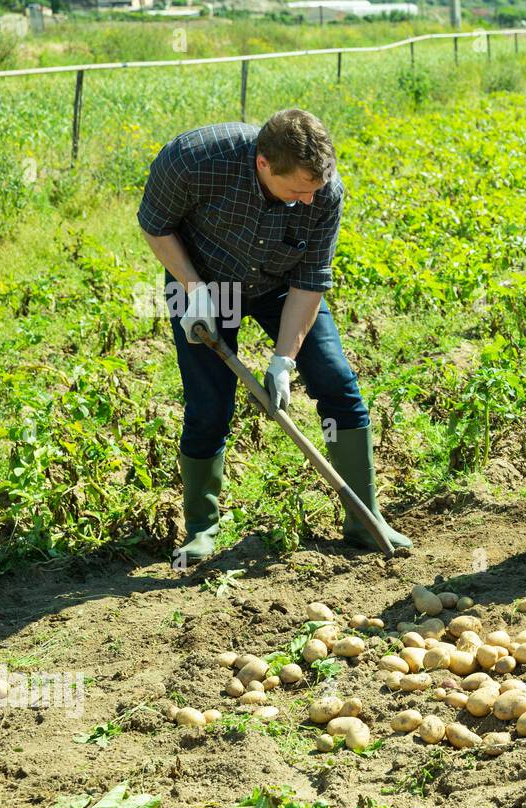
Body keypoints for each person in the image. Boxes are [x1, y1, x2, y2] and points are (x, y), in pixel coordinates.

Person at [137, 109, 411, 565]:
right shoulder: (193, 160)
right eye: (298, 190)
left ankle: (366, 520)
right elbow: (156, 224)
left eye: (315, 190)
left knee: (336, 381)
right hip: (207, 282)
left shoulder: (323, 193)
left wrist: (283, 361)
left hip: (281, 283)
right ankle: (202, 530)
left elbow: (309, 284)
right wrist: (193, 289)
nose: (308, 201)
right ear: (264, 164)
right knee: (210, 405)